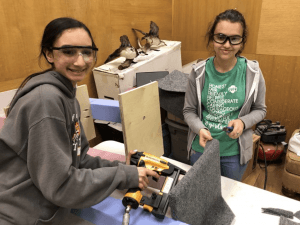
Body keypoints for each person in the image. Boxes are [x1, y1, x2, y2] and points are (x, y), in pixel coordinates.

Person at [0, 17, 159, 225]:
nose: (80, 61)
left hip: (46, 208)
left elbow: (80, 160)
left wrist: (122, 169)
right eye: (68, 52)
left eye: (87, 52)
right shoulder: (46, 101)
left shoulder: (67, 94)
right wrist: (121, 175)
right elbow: (62, 185)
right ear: (49, 53)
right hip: (22, 216)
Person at [183, 9, 266, 181]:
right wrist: (200, 128)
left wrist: (242, 122)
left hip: (234, 153)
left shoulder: (253, 73)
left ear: (242, 42)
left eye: (234, 38)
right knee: (199, 195)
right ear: (212, 38)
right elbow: (189, 111)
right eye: (221, 37)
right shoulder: (198, 73)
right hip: (202, 149)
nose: (227, 44)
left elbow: (260, 110)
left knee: (227, 197)